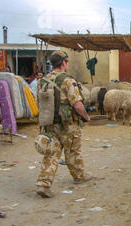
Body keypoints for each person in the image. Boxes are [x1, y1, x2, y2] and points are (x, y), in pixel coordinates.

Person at [35, 50, 92, 198]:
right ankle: (80, 176)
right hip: (68, 125)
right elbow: (77, 105)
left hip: (49, 125)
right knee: (73, 151)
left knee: (51, 153)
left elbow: (39, 103)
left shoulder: (42, 81)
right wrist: (86, 117)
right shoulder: (68, 81)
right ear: (64, 63)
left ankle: (43, 184)